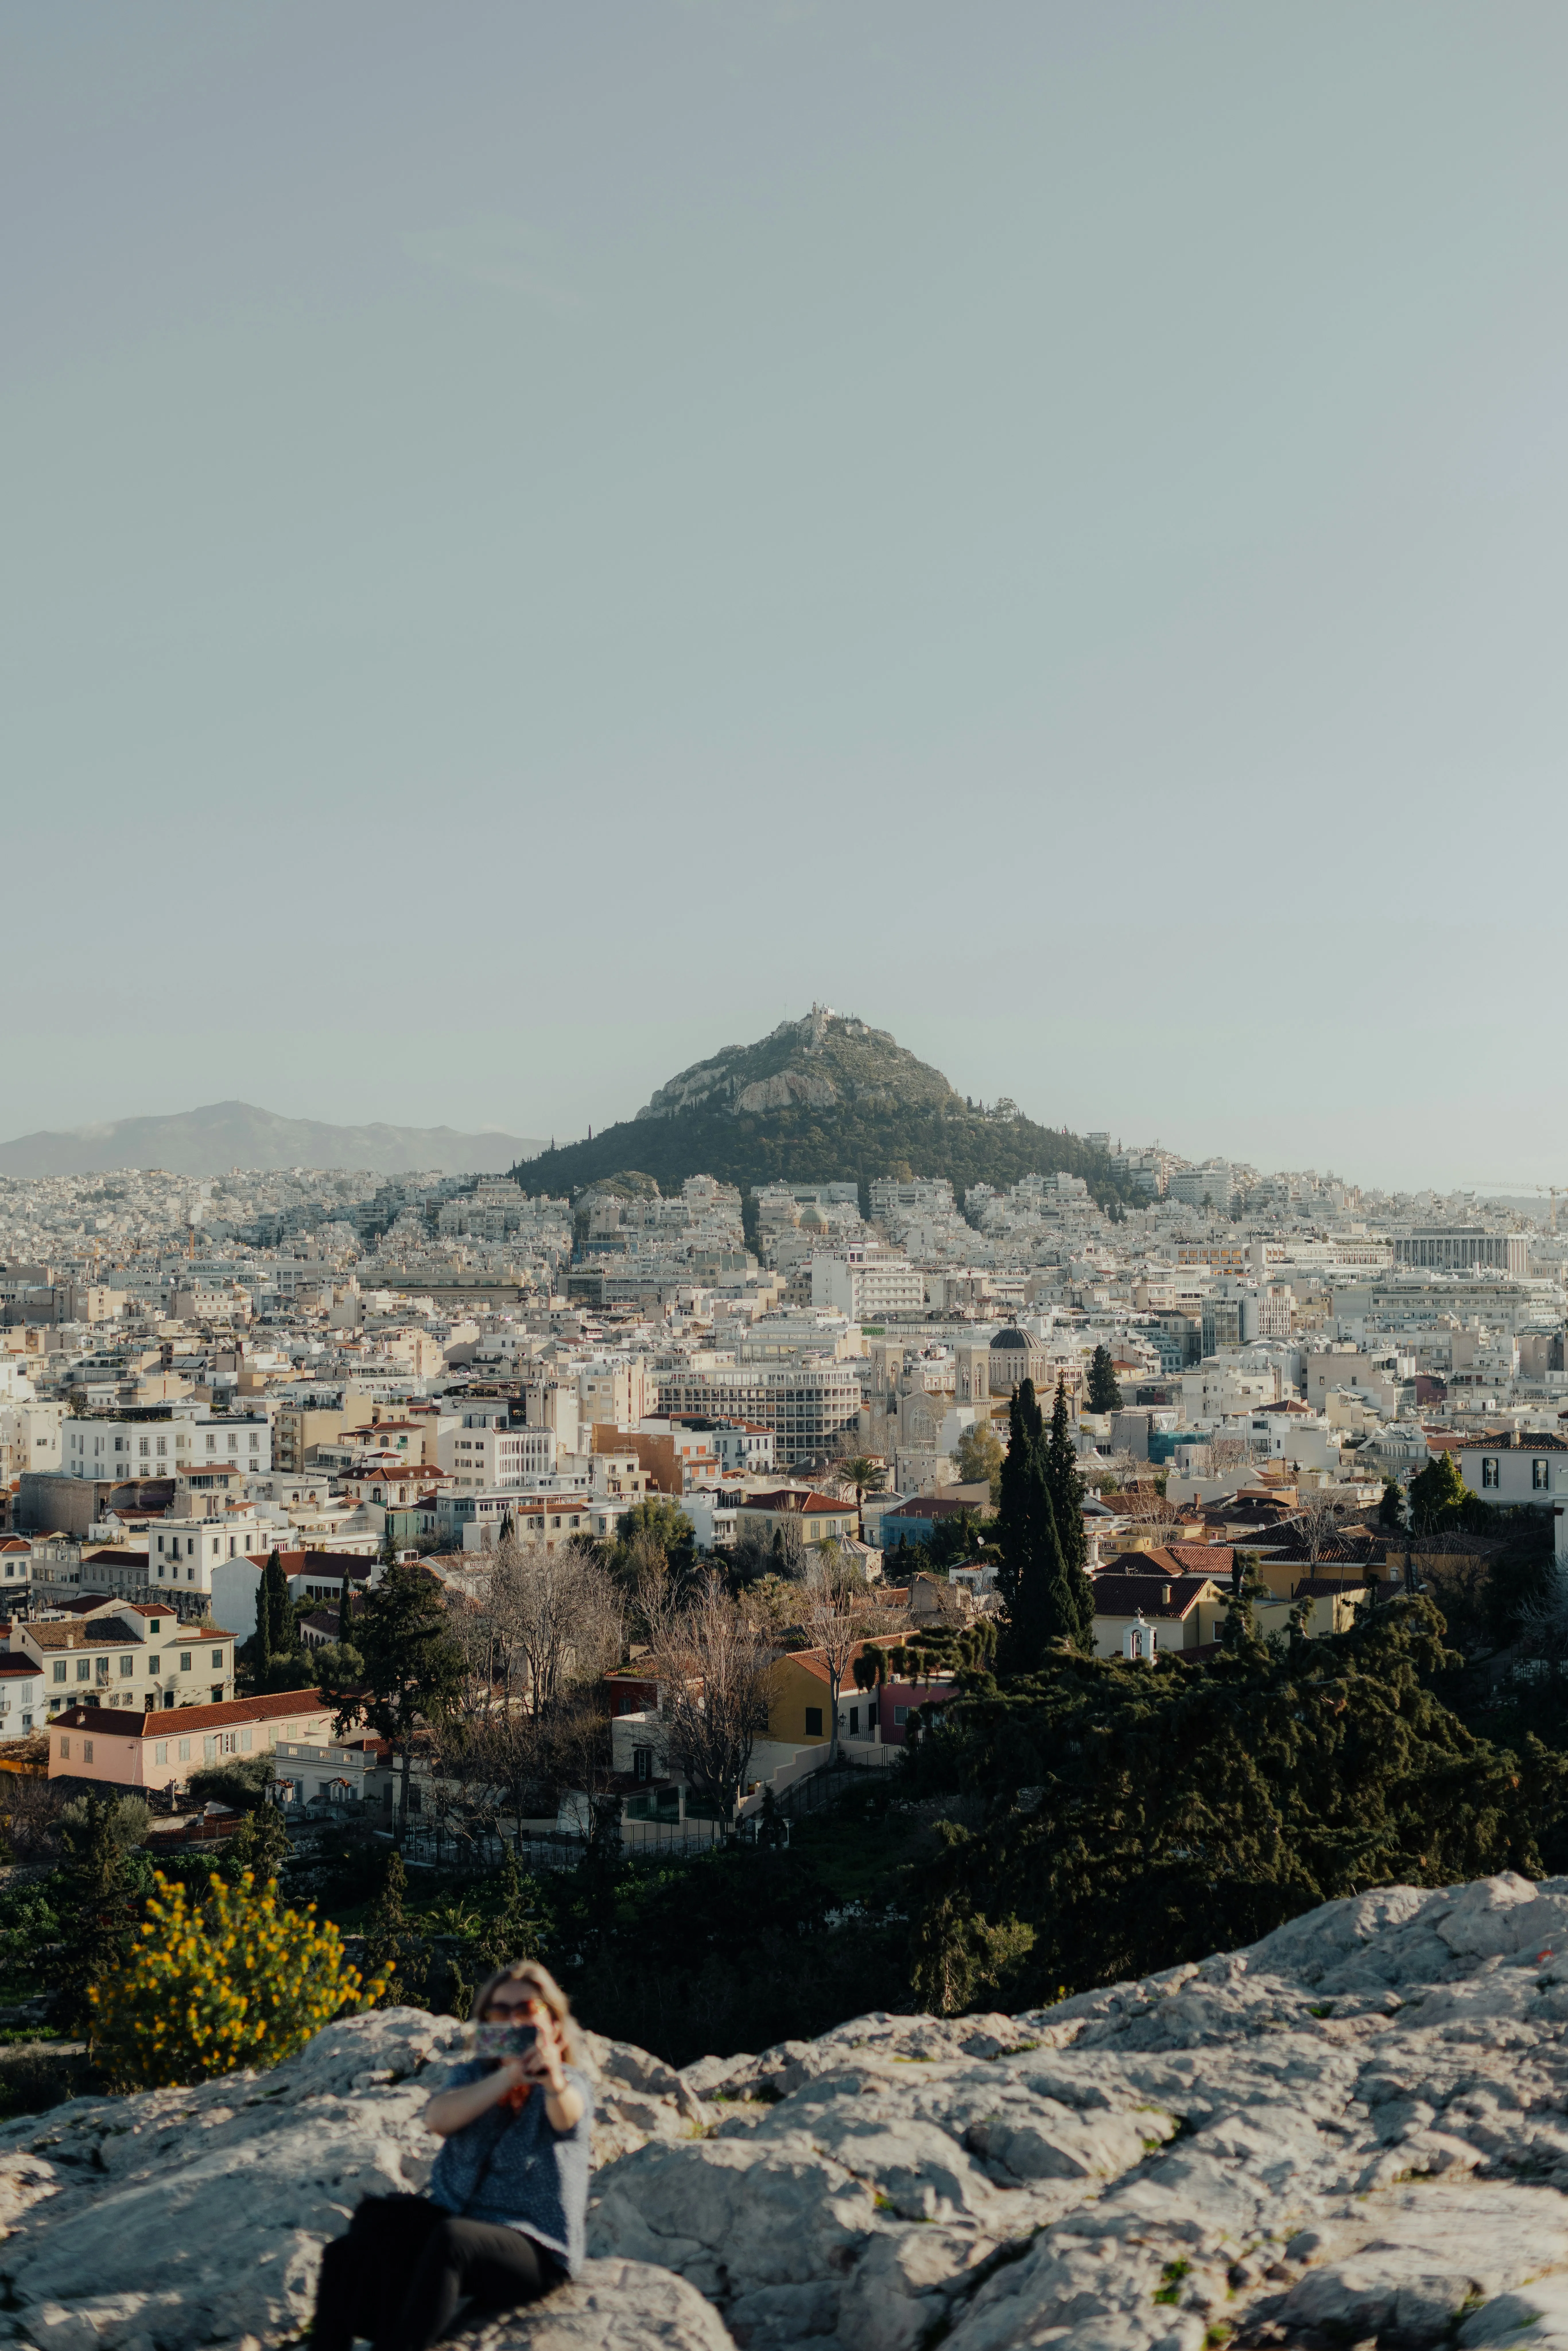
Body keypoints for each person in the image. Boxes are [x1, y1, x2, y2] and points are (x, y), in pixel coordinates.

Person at [311, 1960, 593, 2351]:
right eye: (501, 2012)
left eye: (527, 2011)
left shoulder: (569, 2083)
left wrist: (551, 2079)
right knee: (362, 2232)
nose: (513, 2022)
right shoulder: (475, 2075)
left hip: (535, 2248)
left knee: (451, 2240)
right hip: (459, 2219)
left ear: (556, 2028)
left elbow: (568, 2117)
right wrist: (509, 2076)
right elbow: (439, 2119)